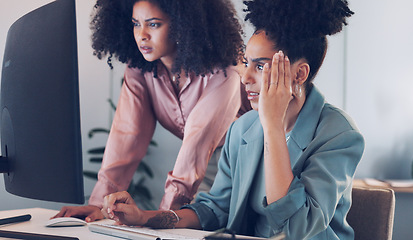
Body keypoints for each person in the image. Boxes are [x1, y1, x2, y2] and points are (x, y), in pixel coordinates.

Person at [100, 0, 365, 239]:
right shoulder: (243, 129)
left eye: (260, 66)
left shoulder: (340, 136)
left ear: (299, 74)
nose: (245, 77)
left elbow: (297, 228)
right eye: (246, 64)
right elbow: (215, 209)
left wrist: (272, 126)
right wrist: (144, 218)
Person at [54, 0, 250, 221]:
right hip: (196, 163)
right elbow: (127, 135)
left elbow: (198, 141)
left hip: (244, 162)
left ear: (183, 24)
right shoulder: (141, 69)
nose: (142, 35)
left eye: (153, 24)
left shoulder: (223, 69)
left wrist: (161, 220)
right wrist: (101, 205)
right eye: (136, 24)